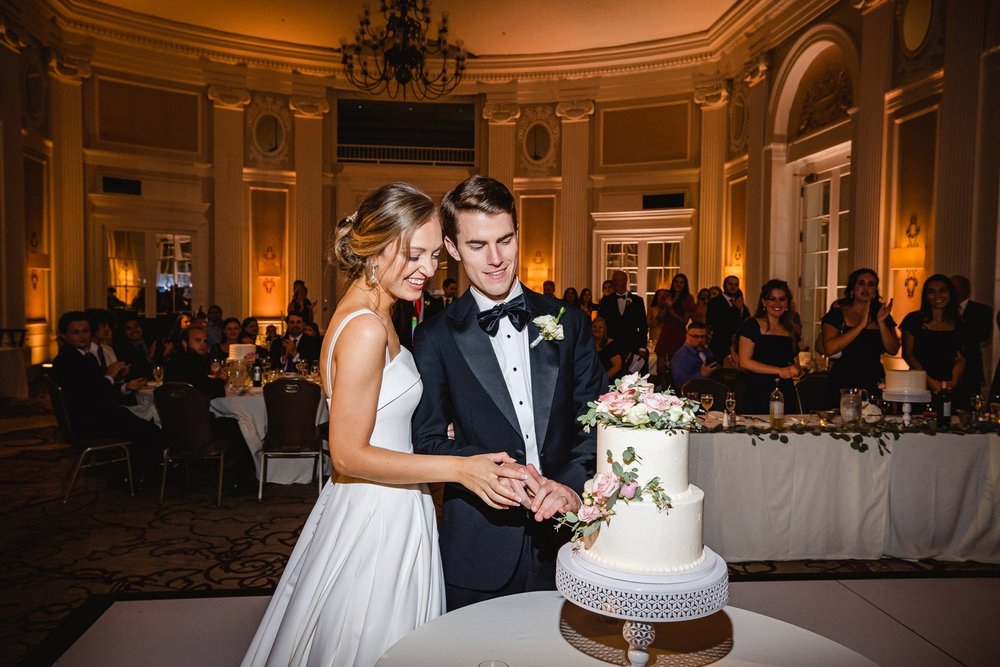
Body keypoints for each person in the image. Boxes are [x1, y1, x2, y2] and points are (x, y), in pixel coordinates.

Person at [242, 183, 529, 667]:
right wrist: (459, 470)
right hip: (376, 513)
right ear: (374, 250)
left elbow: (382, 418)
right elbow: (348, 454)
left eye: (436, 255)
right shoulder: (365, 327)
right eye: (412, 255)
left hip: (398, 502)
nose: (428, 270)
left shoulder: (380, 314)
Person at [411, 175, 605, 611]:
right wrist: (479, 469)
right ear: (454, 248)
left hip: (569, 544)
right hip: (479, 549)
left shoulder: (569, 322)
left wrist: (573, 488)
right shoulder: (435, 337)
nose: (496, 259)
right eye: (478, 245)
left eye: (506, 240)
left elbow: (596, 422)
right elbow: (425, 440)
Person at [50, 311, 162, 485]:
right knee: (151, 430)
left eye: (85, 331)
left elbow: (99, 390)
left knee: (147, 420)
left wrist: (126, 387)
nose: (82, 336)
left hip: (97, 414)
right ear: (64, 335)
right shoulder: (68, 361)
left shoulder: (84, 357)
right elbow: (90, 395)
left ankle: (136, 473)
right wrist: (109, 376)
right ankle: (139, 478)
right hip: (89, 422)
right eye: (76, 332)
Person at [821, 268, 899, 406]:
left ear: (875, 289)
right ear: (852, 287)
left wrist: (881, 323)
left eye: (871, 284)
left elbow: (893, 349)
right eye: (861, 283)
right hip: (844, 378)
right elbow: (830, 348)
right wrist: (860, 326)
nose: (866, 288)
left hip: (873, 377)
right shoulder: (839, 312)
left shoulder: (881, 314)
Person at [738, 279, 801, 414]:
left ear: (788, 303)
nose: (777, 304)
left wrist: (795, 369)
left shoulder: (790, 329)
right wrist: (779, 370)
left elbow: (795, 361)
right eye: (772, 299)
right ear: (764, 302)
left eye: (782, 299)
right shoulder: (751, 325)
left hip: (785, 392)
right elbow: (744, 362)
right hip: (758, 391)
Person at [900, 274, 966, 396]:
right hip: (919, 383)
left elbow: (960, 358)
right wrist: (929, 380)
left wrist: (953, 381)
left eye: (943, 291)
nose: (937, 296)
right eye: (931, 291)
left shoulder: (958, 323)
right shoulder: (914, 320)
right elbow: (908, 355)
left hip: (949, 384)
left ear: (950, 294)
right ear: (925, 296)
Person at [951, 275, 993, 406]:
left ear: (965, 289)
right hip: (948, 367)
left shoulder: (982, 311)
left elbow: (984, 335)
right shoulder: (944, 312)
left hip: (971, 367)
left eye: (954, 288)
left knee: (969, 404)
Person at [597, 270, 648, 363]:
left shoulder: (637, 301)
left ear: (625, 281)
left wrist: (642, 347)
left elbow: (643, 325)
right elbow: (601, 323)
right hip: (611, 346)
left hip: (632, 344)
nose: (614, 283)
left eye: (616, 280)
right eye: (613, 280)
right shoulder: (606, 301)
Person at [706, 275, 750, 364]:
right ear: (724, 285)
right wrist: (736, 310)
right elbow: (720, 322)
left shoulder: (740, 303)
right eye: (730, 284)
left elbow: (746, 320)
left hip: (737, 343)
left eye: (736, 285)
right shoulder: (715, 302)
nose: (733, 287)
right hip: (720, 343)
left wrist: (741, 309)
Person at [653, 273, 696, 363]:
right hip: (666, 331)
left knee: (675, 363)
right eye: (676, 282)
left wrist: (671, 310)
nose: (678, 284)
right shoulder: (666, 295)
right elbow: (659, 319)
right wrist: (666, 307)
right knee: (660, 365)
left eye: (681, 282)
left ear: (685, 285)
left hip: (678, 332)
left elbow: (684, 321)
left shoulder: (688, 298)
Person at [671, 321, 717, 390]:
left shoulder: (706, 351)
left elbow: (715, 366)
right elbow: (679, 383)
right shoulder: (682, 356)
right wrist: (701, 374)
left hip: (711, 387)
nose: (700, 340)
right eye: (696, 336)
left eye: (703, 336)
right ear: (687, 336)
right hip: (693, 394)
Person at [113, 313, 155, 381]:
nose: (134, 330)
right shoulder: (122, 349)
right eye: (128, 328)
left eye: (136, 326)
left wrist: (165, 356)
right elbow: (135, 372)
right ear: (124, 332)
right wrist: (149, 356)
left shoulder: (151, 341)